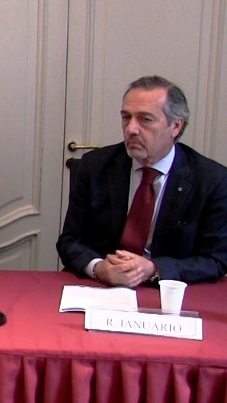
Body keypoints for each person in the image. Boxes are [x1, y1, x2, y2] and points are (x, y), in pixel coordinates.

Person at [57, 75, 227, 287]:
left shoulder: (211, 180)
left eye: (145, 119)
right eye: (126, 117)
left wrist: (153, 268)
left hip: (168, 289)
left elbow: (216, 260)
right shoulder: (94, 166)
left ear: (175, 126)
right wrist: (99, 268)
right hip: (102, 286)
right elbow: (70, 241)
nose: (131, 129)